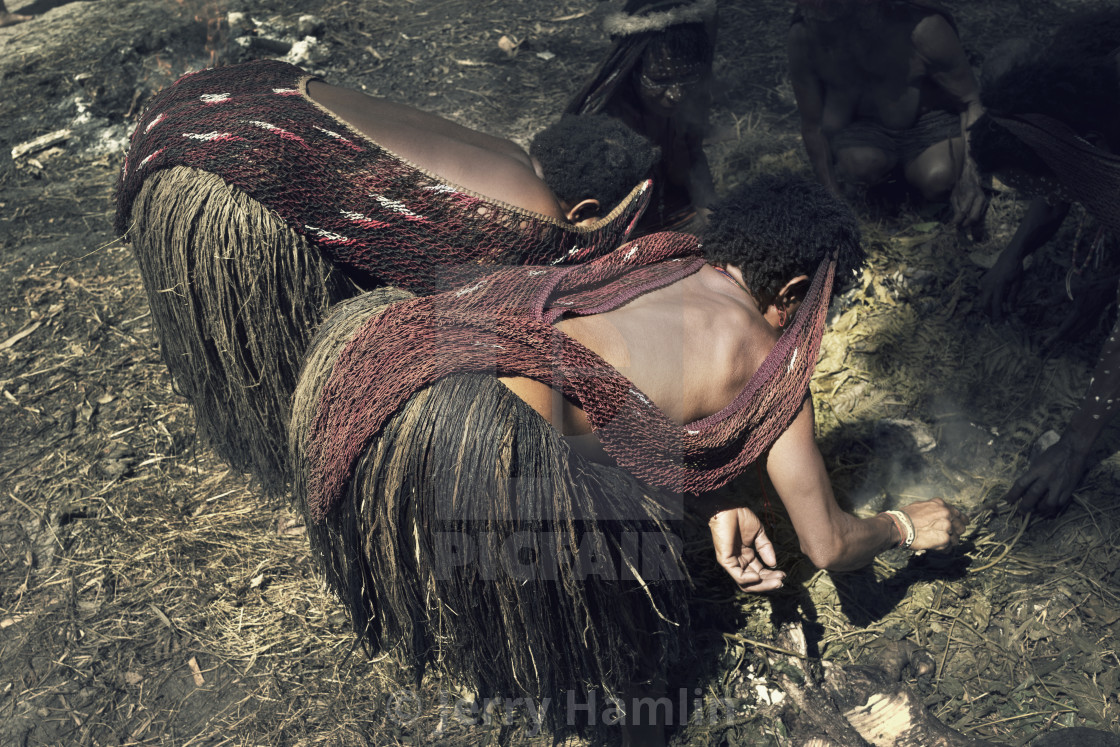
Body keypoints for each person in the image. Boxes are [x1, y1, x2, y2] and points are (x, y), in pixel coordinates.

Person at [290, 175, 965, 742]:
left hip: (400, 354)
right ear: (792, 291)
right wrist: (905, 525)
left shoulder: (663, 259)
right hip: (486, 432)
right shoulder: (769, 360)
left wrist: (717, 499)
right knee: (627, 650)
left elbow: (627, 405)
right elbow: (827, 543)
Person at [115, 58, 659, 494]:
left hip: (215, 97)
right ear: (584, 208)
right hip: (244, 158)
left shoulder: (510, 154)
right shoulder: (536, 226)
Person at [969, 9, 1120, 516]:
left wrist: (1077, 444)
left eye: (1051, 185)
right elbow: (1059, 181)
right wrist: (1011, 257)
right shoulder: (1063, 98)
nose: (1051, 197)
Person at [787, 0, 988, 231]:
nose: (816, 9)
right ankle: (890, 183)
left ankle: (917, 176)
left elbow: (971, 101)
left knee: (939, 179)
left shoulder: (922, 28)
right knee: (859, 166)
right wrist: (833, 202)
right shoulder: (806, 36)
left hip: (931, 123)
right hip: (868, 129)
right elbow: (813, 126)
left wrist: (971, 177)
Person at [566, 0, 718, 233]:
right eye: (659, 80)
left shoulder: (687, 103)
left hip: (675, 215)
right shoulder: (604, 127)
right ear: (631, 72)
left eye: (687, 77)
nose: (676, 95)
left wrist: (715, 226)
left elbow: (695, 163)